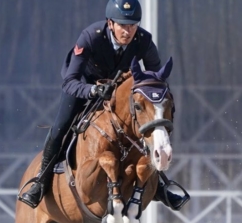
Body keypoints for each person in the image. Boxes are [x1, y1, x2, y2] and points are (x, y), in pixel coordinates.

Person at [18, 0, 190, 211]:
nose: (128, 31)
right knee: (60, 128)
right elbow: (69, 81)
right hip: (84, 87)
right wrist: (92, 90)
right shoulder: (91, 37)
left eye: (133, 25)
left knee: (144, 126)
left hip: (119, 93)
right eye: (123, 25)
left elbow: (156, 79)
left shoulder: (143, 40)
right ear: (110, 23)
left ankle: (160, 185)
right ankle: (41, 181)